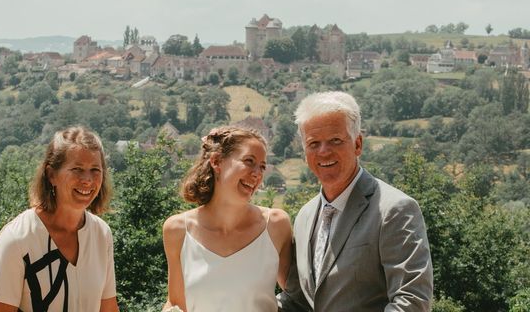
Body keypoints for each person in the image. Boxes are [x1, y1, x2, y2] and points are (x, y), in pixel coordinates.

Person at [278, 91, 433, 311]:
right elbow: (297, 301)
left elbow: (412, 302)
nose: (324, 151)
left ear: (358, 144)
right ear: (304, 152)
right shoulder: (304, 216)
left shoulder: (395, 209)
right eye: (313, 143)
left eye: (335, 140)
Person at [0, 126, 120, 312]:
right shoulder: (16, 240)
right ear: (51, 175)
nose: (88, 180)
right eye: (77, 169)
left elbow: (109, 308)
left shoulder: (101, 234)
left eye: (95, 169)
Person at [162, 126, 292, 312]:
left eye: (262, 166)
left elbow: (297, 296)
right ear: (216, 162)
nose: (258, 173)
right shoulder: (177, 230)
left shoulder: (276, 225)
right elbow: (175, 303)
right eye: (249, 161)